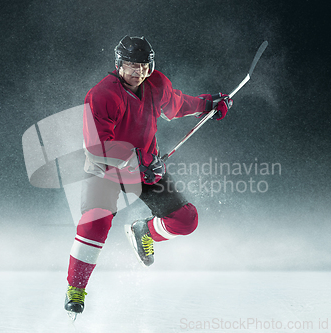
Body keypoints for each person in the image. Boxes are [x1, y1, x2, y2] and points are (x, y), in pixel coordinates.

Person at [64, 35, 233, 318]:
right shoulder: (102, 95)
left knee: (186, 220)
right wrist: (135, 161)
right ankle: (75, 288)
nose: (138, 72)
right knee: (94, 225)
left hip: (145, 168)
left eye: (143, 65)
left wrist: (208, 105)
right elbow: (97, 147)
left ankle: (145, 231)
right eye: (131, 65)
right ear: (119, 65)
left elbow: (178, 104)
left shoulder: (156, 85)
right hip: (106, 170)